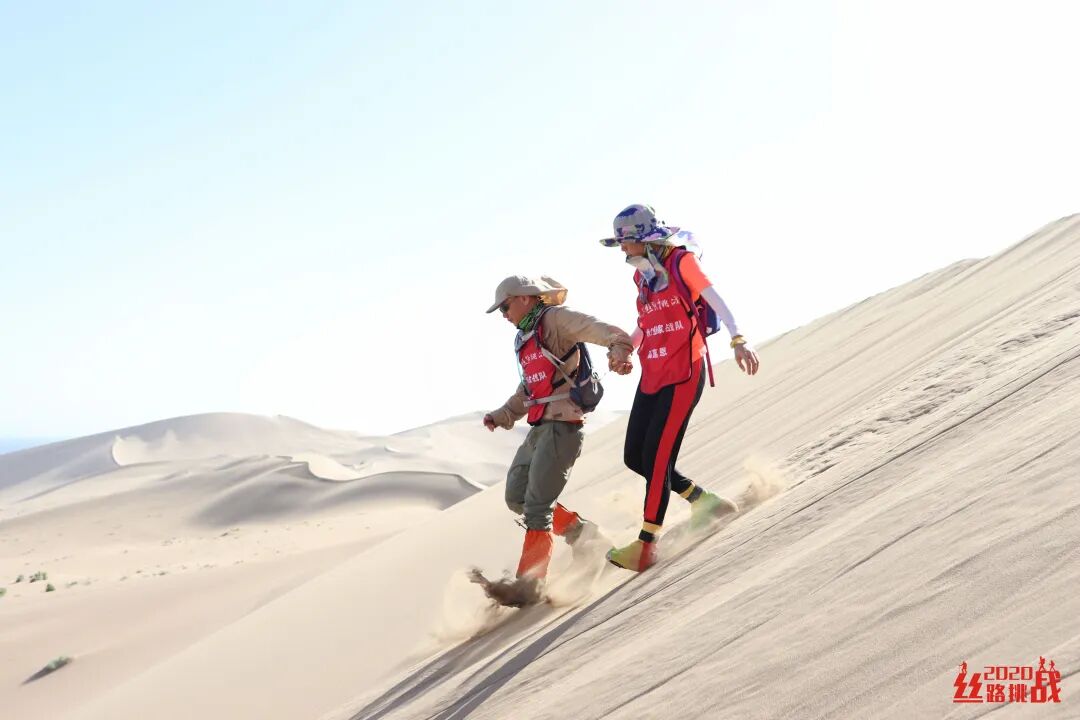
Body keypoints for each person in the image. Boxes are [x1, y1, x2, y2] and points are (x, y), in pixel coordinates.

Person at [599, 204, 760, 572]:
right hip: (653, 372)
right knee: (635, 456)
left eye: (626, 241)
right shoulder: (642, 276)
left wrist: (739, 339)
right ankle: (704, 501)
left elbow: (716, 299)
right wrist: (628, 350)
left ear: (645, 239)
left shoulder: (682, 262)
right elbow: (646, 322)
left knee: (657, 459)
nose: (622, 249)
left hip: (684, 373)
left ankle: (645, 545)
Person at [482, 274, 634, 605]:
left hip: (562, 426)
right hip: (539, 427)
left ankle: (529, 584)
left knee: (537, 507)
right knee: (517, 496)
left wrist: (619, 349)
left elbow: (599, 329)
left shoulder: (555, 320)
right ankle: (584, 535)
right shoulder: (526, 337)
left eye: (505, 307)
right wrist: (503, 414)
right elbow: (530, 388)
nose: (504, 315)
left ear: (525, 297)